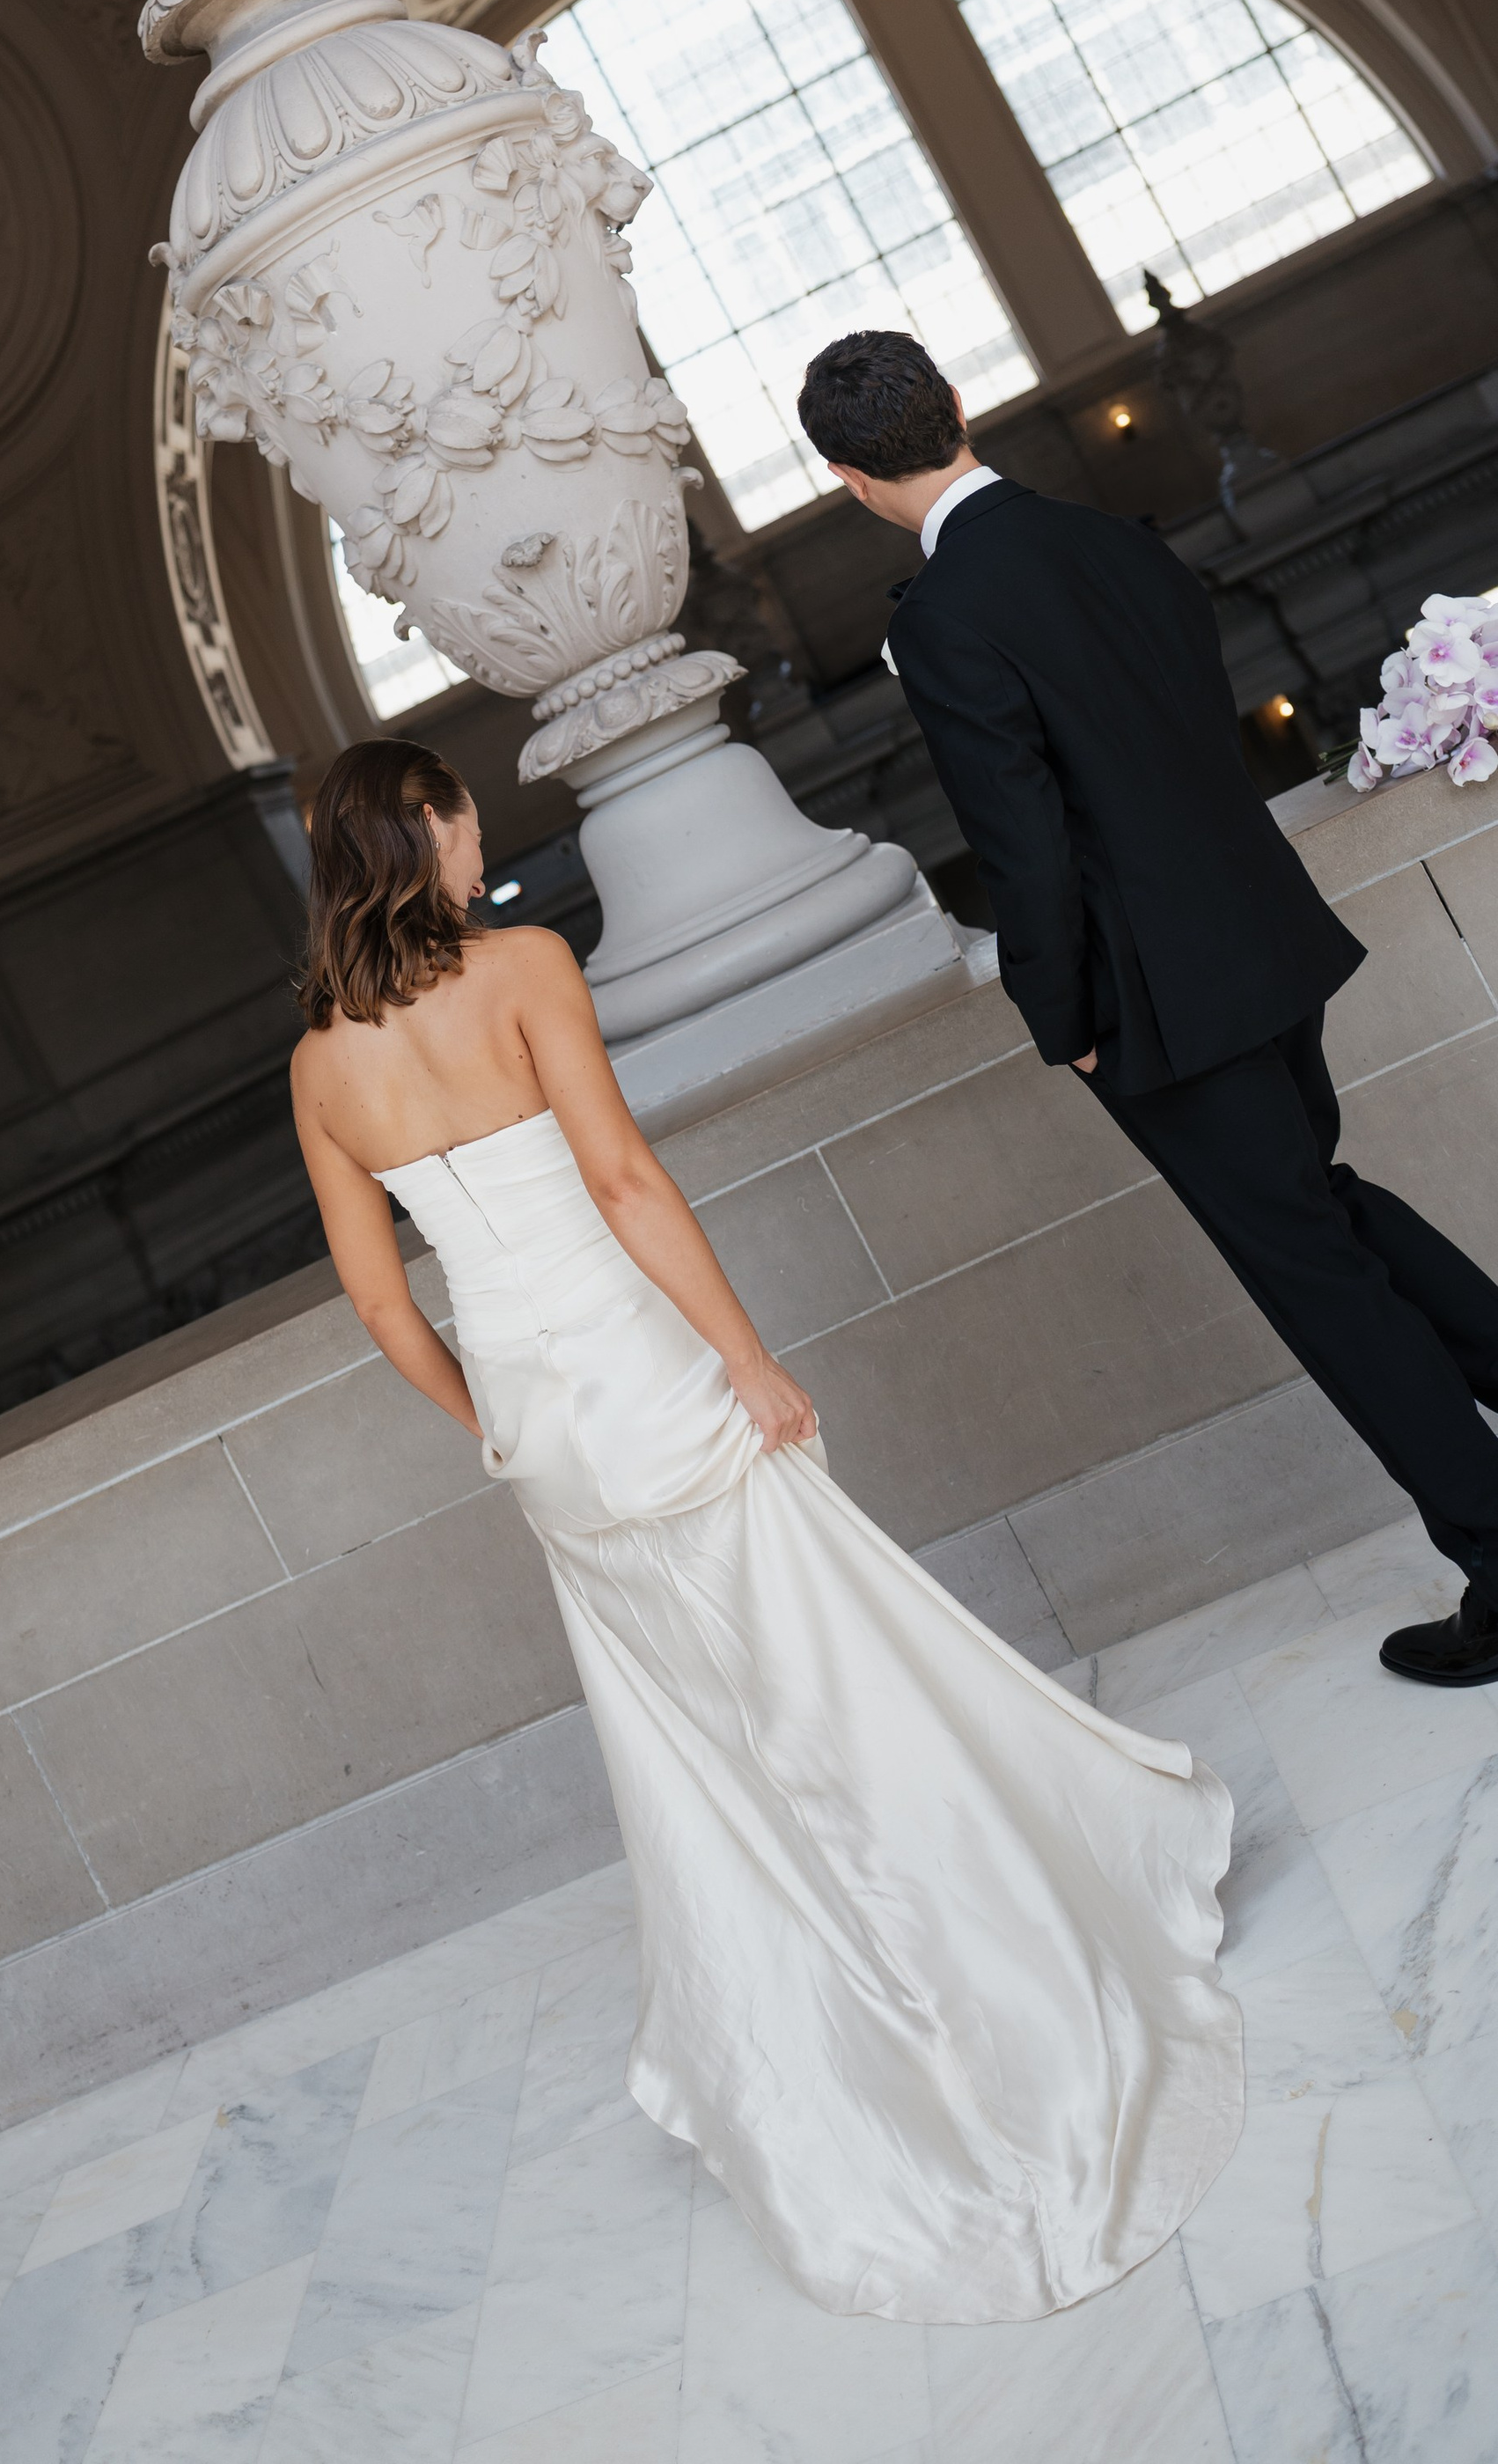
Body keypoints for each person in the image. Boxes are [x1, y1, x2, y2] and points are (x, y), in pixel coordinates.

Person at [290, 737, 1241, 2322]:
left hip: (544, 1434)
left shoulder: (322, 1065)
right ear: (431, 826)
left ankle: (806, 2046)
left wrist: (494, 1426)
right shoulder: (522, 964)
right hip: (644, 1377)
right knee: (831, 1678)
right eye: (462, 816)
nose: (476, 839)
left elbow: (385, 1304)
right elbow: (620, 1177)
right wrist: (745, 1356)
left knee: (708, 1743)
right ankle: (984, 1964)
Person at [798, 327, 1498, 1693]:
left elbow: (1026, 841)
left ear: (846, 480)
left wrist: (1061, 1016)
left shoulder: (940, 622)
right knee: (1329, 1212)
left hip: (1157, 1000)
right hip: (1259, 939)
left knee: (1317, 1271)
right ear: (957, 406)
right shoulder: (1115, 543)